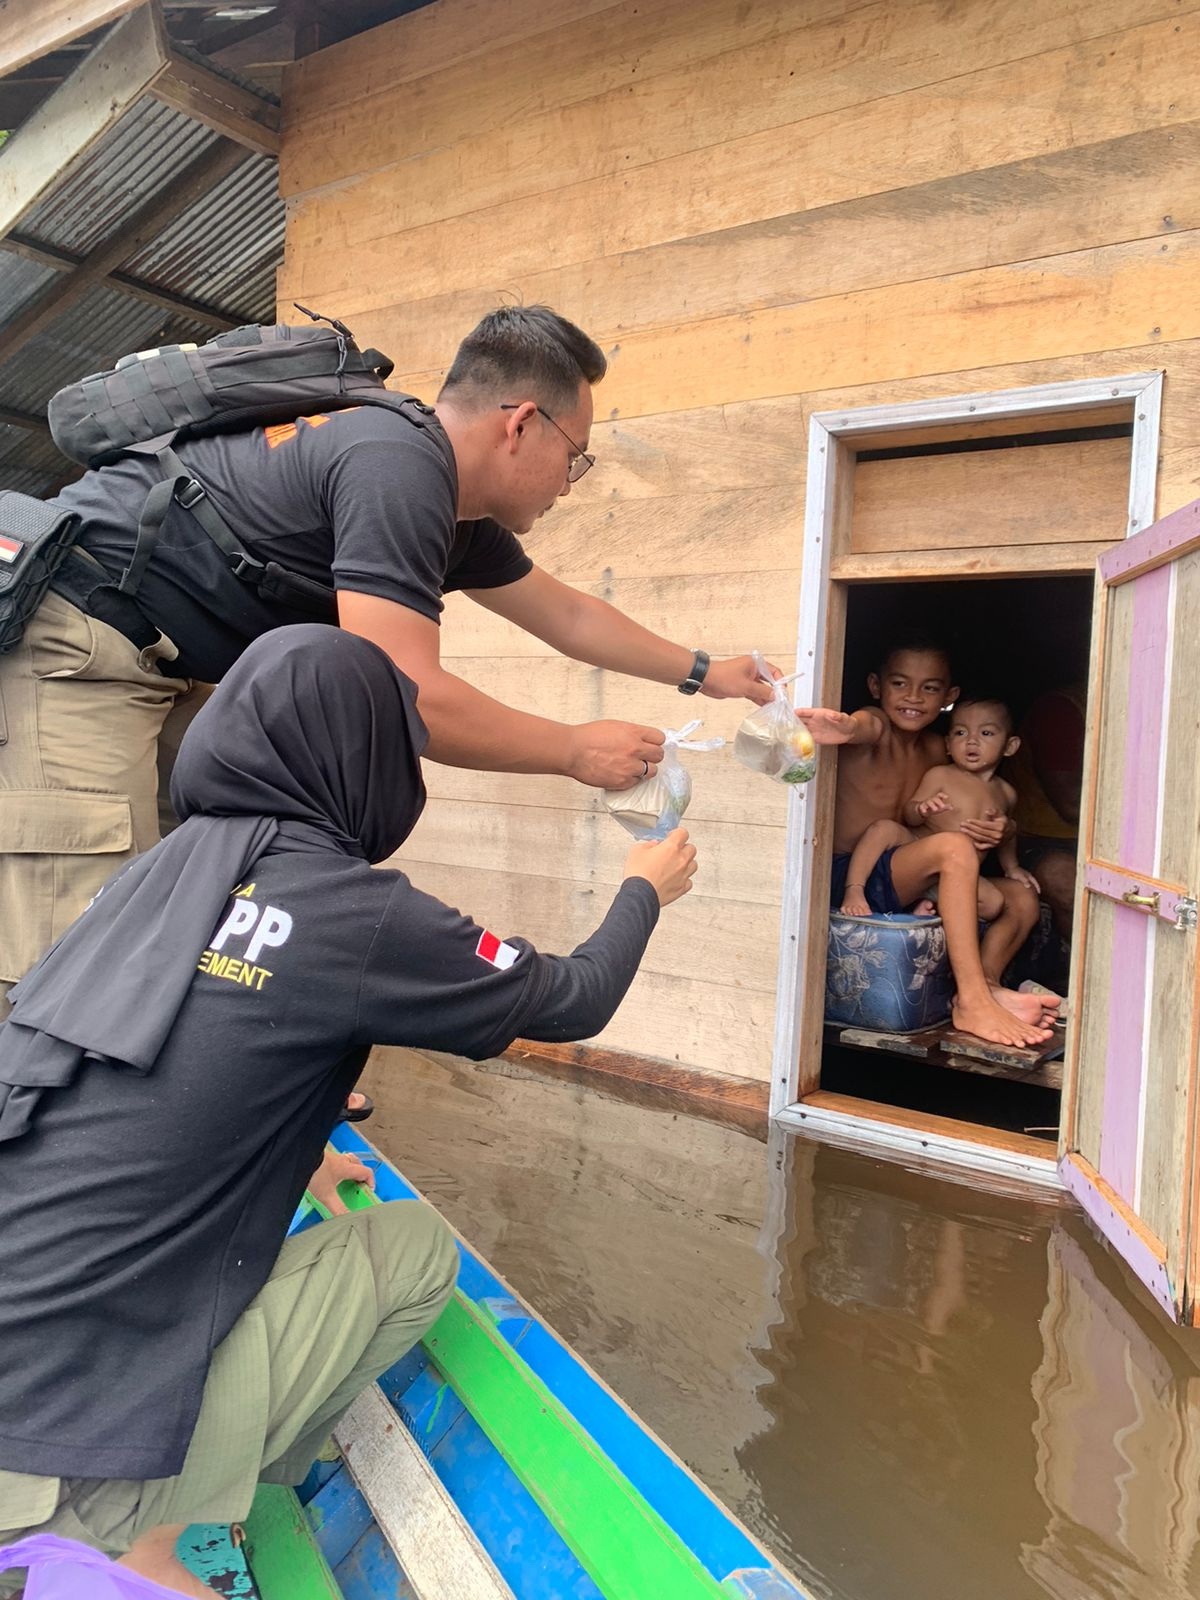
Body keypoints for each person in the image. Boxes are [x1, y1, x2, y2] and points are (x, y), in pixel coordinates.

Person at [0, 626, 697, 1599]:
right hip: (54, 1449)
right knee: (415, 1252)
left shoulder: (151, 876)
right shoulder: (341, 906)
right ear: (366, 757)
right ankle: (142, 1532)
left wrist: (302, 1151)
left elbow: (159, 1059)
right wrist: (642, 890)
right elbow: (572, 998)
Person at [0, 303, 768, 1012]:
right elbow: (409, 693)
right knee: (75, 950)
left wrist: (710, 672)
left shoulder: (454, 512)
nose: (573, 483)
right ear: (522, 425)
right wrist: (571, 749)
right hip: (79, 647)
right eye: (577, 458)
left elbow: (566, 613)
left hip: (174, 671)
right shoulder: (395, 462)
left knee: (197, 890)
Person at [798, 641, 1054, 1049]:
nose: (914, 698)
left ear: (949, 697)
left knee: (1021, 897)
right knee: (953, 848)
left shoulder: (940, 748)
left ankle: (984, 986)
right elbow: (865, 724)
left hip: (907, 871)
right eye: (900, 684)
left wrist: (1002, 832)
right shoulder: (877, 729)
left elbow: (979, 801)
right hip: (853, 871)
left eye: (930, 689)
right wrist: (846, 728)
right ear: (876, 686)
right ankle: (972, 1002)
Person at [839, 693, 1040, 925]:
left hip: (956, 876)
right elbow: (909, 815)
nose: (971, 741)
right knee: (884, 829)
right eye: (961, 733)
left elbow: (1003, 836)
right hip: (916, 852)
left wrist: (1012, 867)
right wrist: (922, 809)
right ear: (947, 744)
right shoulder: (941, 775)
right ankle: (854, 889)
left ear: (1010, 746)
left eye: (986, 733)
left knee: (993, 903)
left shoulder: (1007, 793)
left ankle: (926, 908)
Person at [1007, 686, 1086, 946]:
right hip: (1043, 838)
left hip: (1097, 837)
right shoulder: (1059, 710)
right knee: (1062, 879)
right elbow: (1071, 805)